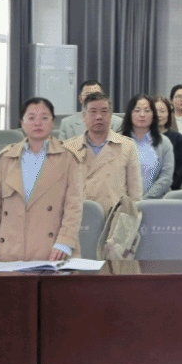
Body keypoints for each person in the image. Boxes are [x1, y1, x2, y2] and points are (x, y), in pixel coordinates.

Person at [0, 97, 84, 364]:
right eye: (31, 116)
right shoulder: (7, 158)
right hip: (11, 248)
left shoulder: (68, 158)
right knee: (15, 320)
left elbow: (74, 205)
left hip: (51, 249)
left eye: (44, 117)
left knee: (50, 319)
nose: (38, 122)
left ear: (53, 122)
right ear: (21, 122)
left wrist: (64, 242)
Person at [64, 91, 144, 254]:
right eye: (93, 112)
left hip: (114, 224)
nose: (99, 117)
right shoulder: (68, 148)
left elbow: (135, 196)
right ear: (84, 116)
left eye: (104, 111)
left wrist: (125, 234)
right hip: (79, 223)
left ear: (111, 115)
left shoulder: (127, 146)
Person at [120, 92, 174, 200]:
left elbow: (166, 177)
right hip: (125, 203)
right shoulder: (118, 141)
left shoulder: (164, 143)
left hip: (155, 202)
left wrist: (146, 200)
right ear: (130, 114)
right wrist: (130, 201)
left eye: (147, 110)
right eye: (137, 110)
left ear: (153, 115)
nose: (142, 114)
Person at [57, 80, 124, 140]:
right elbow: (62, 149)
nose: (93, 98)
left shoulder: (118, 123)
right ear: (80, 98)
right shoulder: (67, 123)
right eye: (88, 94)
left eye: (97, 94)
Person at [153, 95, 182, 191]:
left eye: (162, 111)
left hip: (169, 192)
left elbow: (178, 174)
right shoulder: (142, 138)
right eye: (155, 111)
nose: (159, 115)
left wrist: (158, 192)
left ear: (169, 114)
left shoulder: (179, 140)